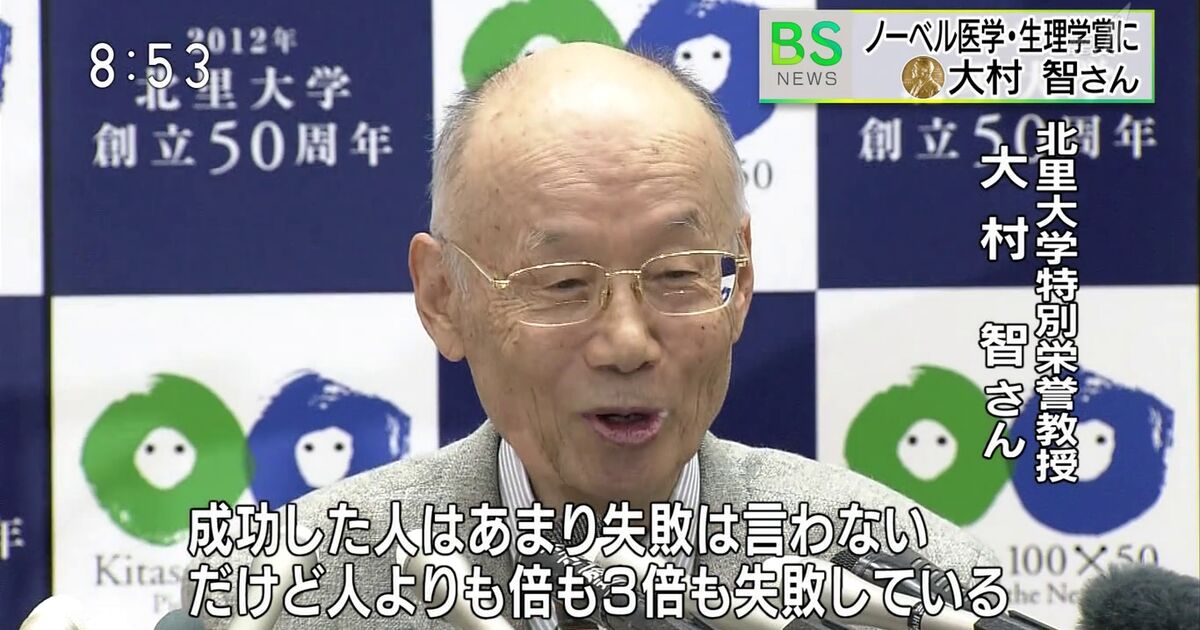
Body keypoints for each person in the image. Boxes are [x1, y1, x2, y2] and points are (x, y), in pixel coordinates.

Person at [182, 42, 998, 628]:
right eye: (563, 283)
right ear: (442, 297)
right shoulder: (298, 590)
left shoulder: (897, 582)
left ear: (741, 279)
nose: (626, 343)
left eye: (677, 274)